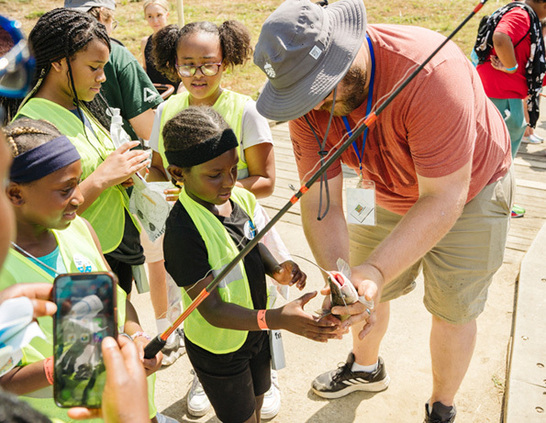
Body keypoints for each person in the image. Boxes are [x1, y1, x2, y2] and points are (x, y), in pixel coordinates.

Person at [253, 0, 513, 422]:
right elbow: (324, 203)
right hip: (385, 187)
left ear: (344, 50)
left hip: (469, 190)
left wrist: (375, 270)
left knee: (453, 307)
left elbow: (443, 196)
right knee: (360, 285)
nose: (314, 108)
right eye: (302, 98)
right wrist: (343, 281)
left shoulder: (429, 72)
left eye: (320, 92)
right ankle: (364, 366)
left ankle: (441, 405)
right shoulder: (306, 103)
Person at [0, 15, 150, 423]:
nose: (103, 77)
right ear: (58, 64)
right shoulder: (37, 124)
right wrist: (103, 177)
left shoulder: (83, 108)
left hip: (98, 248)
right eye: (94, 67)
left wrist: (133, 338)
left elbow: (117, 303)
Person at [162, 106, 343, 423]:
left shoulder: (241, 199)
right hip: (219, 349)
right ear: (178, 173)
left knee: (257, 404)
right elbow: (212, 309)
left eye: (234, 168)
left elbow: (251, 245)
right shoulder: (182, 232)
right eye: (214, 175)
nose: (229, 182)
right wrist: (277, 318)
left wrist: (277, 268)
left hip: (255, 333)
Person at [147, 19, 278, 394]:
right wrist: (154, 186)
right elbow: (158, 168)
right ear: (173, 64)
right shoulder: (166, 109)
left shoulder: (245, 110)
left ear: (226, 61)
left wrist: (213, 190)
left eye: (208, 64)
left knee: (251, 294)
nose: (197, 74)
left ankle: (265, 376)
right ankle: (205, 376)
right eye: (187, 65)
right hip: (188, 232)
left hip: (238, 226)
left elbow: (265, 181)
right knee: (201, 303)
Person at [474, 0, 546, 218]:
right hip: (501, 92)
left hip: (505, 92)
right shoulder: (521, 15)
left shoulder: (523, 13)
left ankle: (499, 201)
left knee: (500, 150)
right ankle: (495, 203)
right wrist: (512, 67)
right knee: (497, 153)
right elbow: (500, 36)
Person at [64, 0, 165, 148]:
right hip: (118, 158)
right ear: (101, 13)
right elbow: (148, 129)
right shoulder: (117, 55)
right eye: (113, 23)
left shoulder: (52, 54)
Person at [140, 0, 178, 88]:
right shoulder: (145, 42)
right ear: (145, 17)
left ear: (167, 15)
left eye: (159, 15)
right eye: (150, 16)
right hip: (155, 93)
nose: (155, 20)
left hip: (175, 91)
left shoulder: (177, 39)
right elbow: (145, 68)